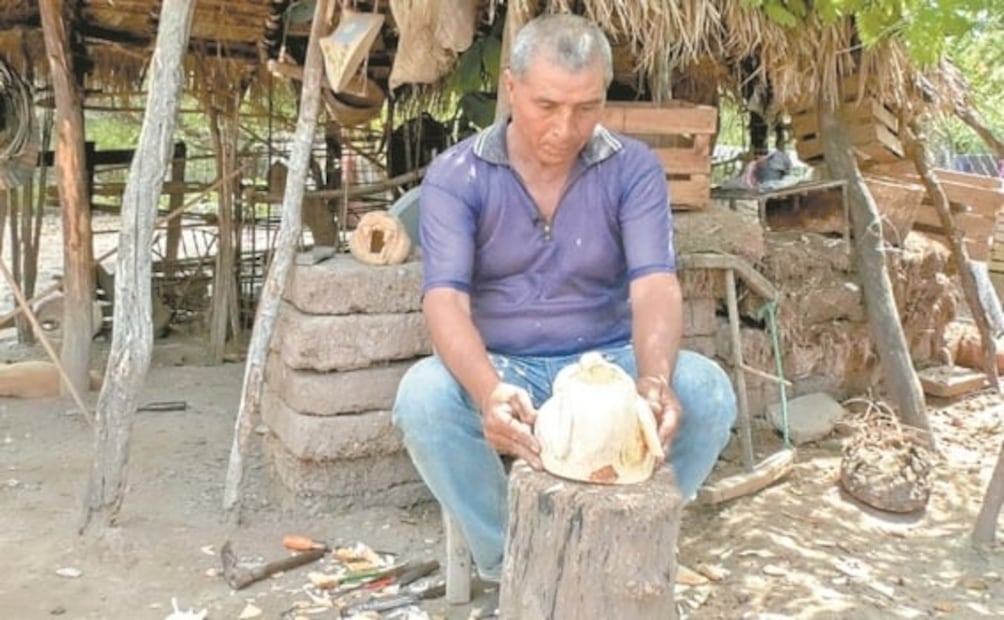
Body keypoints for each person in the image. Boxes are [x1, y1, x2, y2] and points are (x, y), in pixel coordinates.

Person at [392, 13, 736, 583]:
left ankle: (627, 549)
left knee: (707, 392)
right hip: (504, 365)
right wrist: (487, 391)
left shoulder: (634, 169)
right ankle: (515, 565)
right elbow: (445, 300)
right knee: (423, 400)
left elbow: (654, 283)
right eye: (546, 106)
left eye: (587, 108)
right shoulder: (458, 174)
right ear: (510, 87)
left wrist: (652, 380)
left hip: (606, 365)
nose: (566, 127)